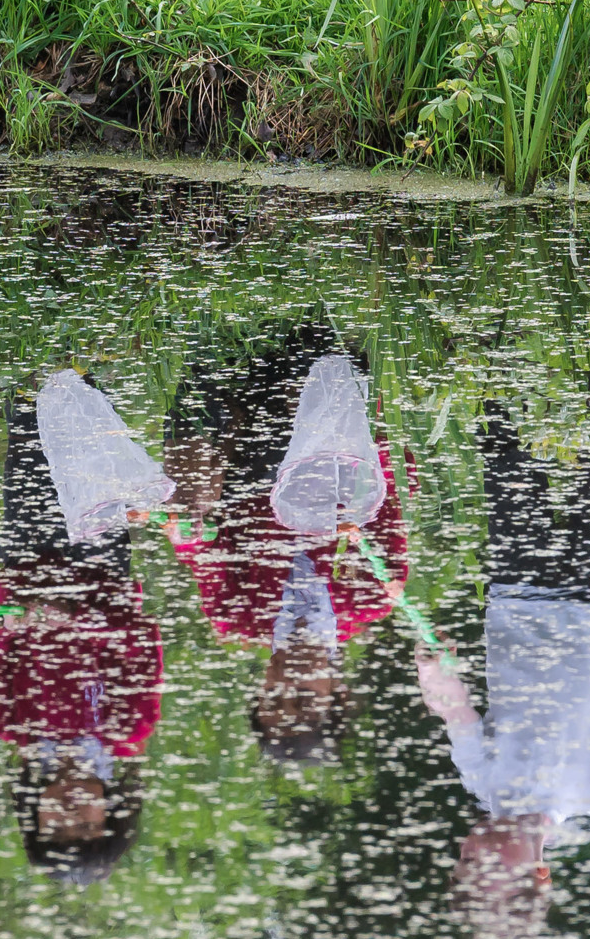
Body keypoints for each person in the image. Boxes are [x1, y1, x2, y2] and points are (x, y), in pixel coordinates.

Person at [414, 404, 590, 939]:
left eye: (462, 863)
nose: (472, 852)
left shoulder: (483, 781)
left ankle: (494, 363)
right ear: (537, 874)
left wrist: (435, 675)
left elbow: (455, 711)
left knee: (509, 465)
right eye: (485, 870)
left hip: (518, 593)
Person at [162, 322, 414, 768]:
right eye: (302, 698)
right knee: (317, 441)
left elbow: (203, 555)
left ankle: (216, 339)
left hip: (249, 467)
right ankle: (322, 347)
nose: (286, 683)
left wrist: (186, 532)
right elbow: (391, 496)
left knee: (191, 492)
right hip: (334, 454)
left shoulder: (233, 617)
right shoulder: (375, 598)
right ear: (337, 694)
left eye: (273, 699)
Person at [0, 382, 166, 886]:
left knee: (28, 462)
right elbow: (142, 641)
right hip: (99, 568)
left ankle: (18, 370)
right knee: (88, 461)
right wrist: (79, 620)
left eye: (56, 825)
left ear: (34, 814)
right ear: (112, 812)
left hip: (26, 563)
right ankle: (87, 370)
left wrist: (5, 622)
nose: (70, 812)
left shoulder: (16, 730)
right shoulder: (126, 730)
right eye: (85, 824)